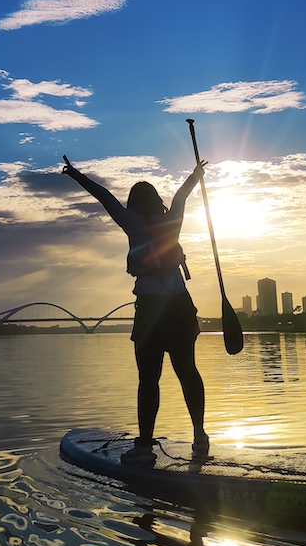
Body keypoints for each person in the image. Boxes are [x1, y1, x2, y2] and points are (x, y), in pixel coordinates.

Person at [62, 157, 209, 465]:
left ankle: (144, 449)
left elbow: (104, 196)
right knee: (188, 372)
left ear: (134, 203)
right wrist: (196, 175)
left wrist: (76, 175)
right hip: (180, 306)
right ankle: (200, 437)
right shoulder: (173, 220)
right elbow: (181, 196)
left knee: (149, 379)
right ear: (156, 201)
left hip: (151, 309)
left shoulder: (132, 222)